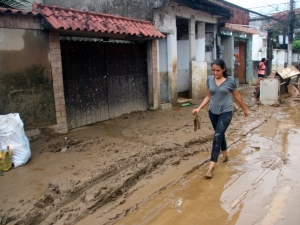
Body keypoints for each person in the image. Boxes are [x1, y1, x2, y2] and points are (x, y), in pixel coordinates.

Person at [192, 58, 249, 179]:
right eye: (213, 70)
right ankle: (225, 155)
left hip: (226, 111)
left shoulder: (230, 81)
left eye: (218, 70)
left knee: (217, 135)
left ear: (223, 69)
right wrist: (199, 108)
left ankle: (211, 167)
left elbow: (237, 95)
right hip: (213, 111)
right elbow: (208, 96)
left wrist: (244, 109)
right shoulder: (209, 80)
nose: (215, 73)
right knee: (220, 134)